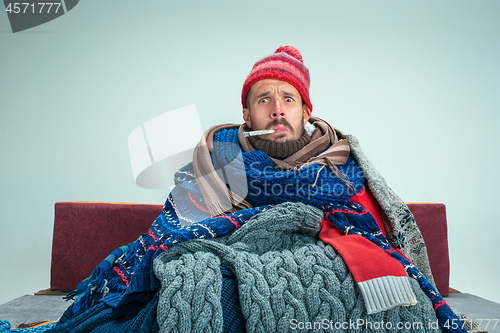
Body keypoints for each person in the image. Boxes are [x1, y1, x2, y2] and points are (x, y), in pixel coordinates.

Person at [49, 46, 466, 333]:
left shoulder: (343, 170)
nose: (278, 108)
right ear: (247, 113)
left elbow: (371, 240)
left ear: (307, 111)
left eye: (289, 98)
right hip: (229, 267)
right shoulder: (212, 162)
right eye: (264, 99)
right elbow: (170, 235)